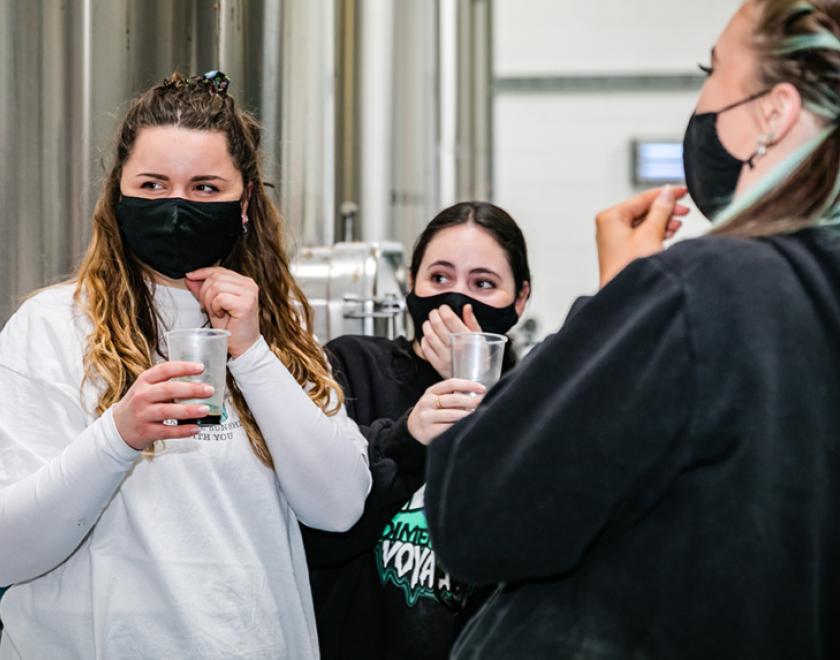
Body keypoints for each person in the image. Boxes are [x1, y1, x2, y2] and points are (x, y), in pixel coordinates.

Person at [425, 1, 840, 658]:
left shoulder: (704, 290)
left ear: (774, 114)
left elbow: (477, 514)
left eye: (712, 70)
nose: (702, 101)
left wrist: (618, 301)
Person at [0, 71, 371, 659]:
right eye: (152, 184)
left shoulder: (276, 332)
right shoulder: (51, 327)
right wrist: (119, 435)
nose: (176, 206)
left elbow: (339, 506)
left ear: (243, 203)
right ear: (118, 195)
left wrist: (253, 355)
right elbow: (9, 550)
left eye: (204, 188)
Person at [302, 201, 532, 660]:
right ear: (412, 283)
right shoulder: (354, 366)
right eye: (439, 278)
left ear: (519, 299)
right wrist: (408, 437)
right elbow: (322, 529)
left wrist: (484, 405)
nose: (456, 298)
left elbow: (533, 545)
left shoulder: (535, 397)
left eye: (483, 284)